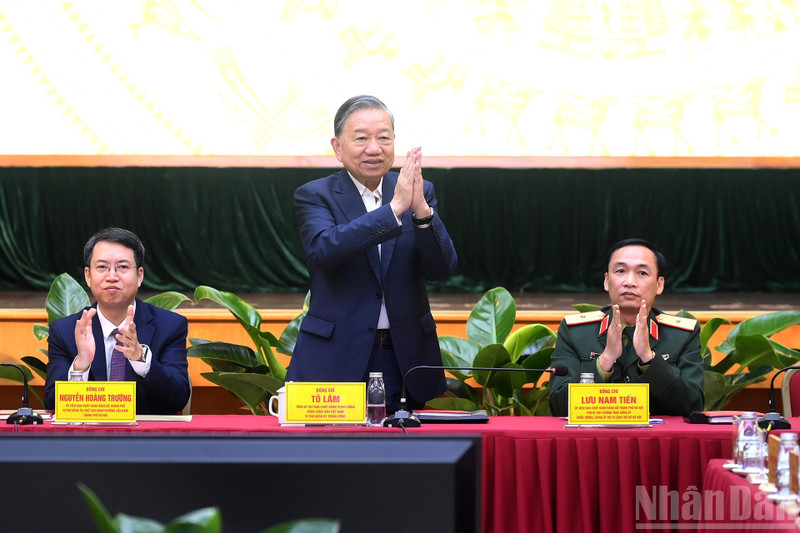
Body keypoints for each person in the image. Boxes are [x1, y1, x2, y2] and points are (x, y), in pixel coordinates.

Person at [286, 95, 458, 411]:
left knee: (406, 456)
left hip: (404, 355)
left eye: (384, 138)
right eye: (362, 138)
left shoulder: (419, 189)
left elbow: (442, 268)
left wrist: (420, 211)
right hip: (337, 353)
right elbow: (325, 249)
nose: (374, 148)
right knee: (333, 455)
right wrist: (393, 210)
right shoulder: (315, 195)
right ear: (338, 147)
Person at [549, 238, 704, 417]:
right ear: (606, 281)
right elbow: (559, 406)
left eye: (642, 273)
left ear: (659, 284)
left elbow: (693, 405)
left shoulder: (681, 335)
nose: (629, 282)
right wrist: (605, 360)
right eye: (621, 271)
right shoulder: (576, 332)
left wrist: (649, 358)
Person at [44, 227, 190, 415]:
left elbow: (178, 399)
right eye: (102, 267)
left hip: (147, 440)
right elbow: (52, 404)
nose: (112, 277)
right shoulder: (66, 331)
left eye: (122, 267)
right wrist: (81, 365)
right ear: (88, 276)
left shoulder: (169, 326)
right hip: (88, 440)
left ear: (139, 276)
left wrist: (141, 359)